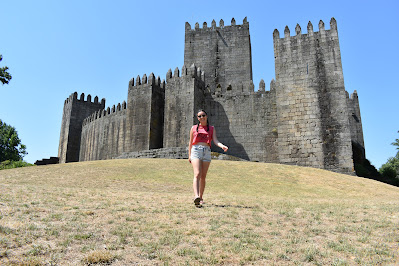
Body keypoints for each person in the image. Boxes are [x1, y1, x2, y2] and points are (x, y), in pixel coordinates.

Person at [188, 109, 228, 207]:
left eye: (203, 115)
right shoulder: (193, 128)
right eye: (199, 116)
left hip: (206, 151)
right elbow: (190, 142)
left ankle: (201, 197)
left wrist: (222, 146)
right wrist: (189, 155)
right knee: (197, 173)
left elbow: (215, 140)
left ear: (206, 116)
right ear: (197, 118)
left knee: (203, 176)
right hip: (196, 150)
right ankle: (196, 196)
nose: (202, 117)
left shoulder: (211, 128)